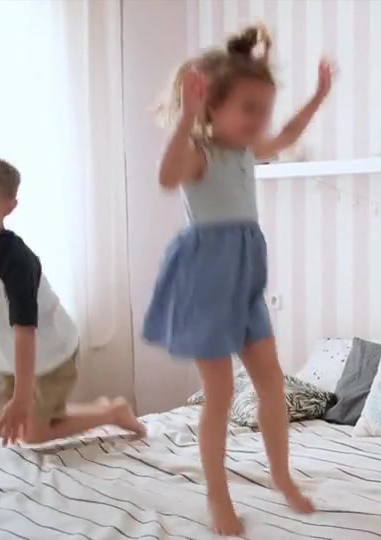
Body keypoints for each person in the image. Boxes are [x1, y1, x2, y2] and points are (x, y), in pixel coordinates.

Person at [143, 24, 330, 535]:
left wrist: (317, 96)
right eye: (249, 109)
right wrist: (187, 116)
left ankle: (281, 476)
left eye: (263, 109)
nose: (259, 121)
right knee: (220, 395)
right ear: (211, 106)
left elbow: (286, 136)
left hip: (246, 281)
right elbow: (165, 176)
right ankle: (218, 497)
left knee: (272, 382)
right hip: (206, 281)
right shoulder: (199, 153)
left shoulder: (246, 149)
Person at [0, 157, 144, 446]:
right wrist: (19, 397)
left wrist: (22, 396)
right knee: (18, 426)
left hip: (49, 352)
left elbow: (25, 329)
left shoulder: (14, 259)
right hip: (6, 358)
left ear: (8, 207)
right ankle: (106, 410)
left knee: (32, 433)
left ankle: (111, 413)